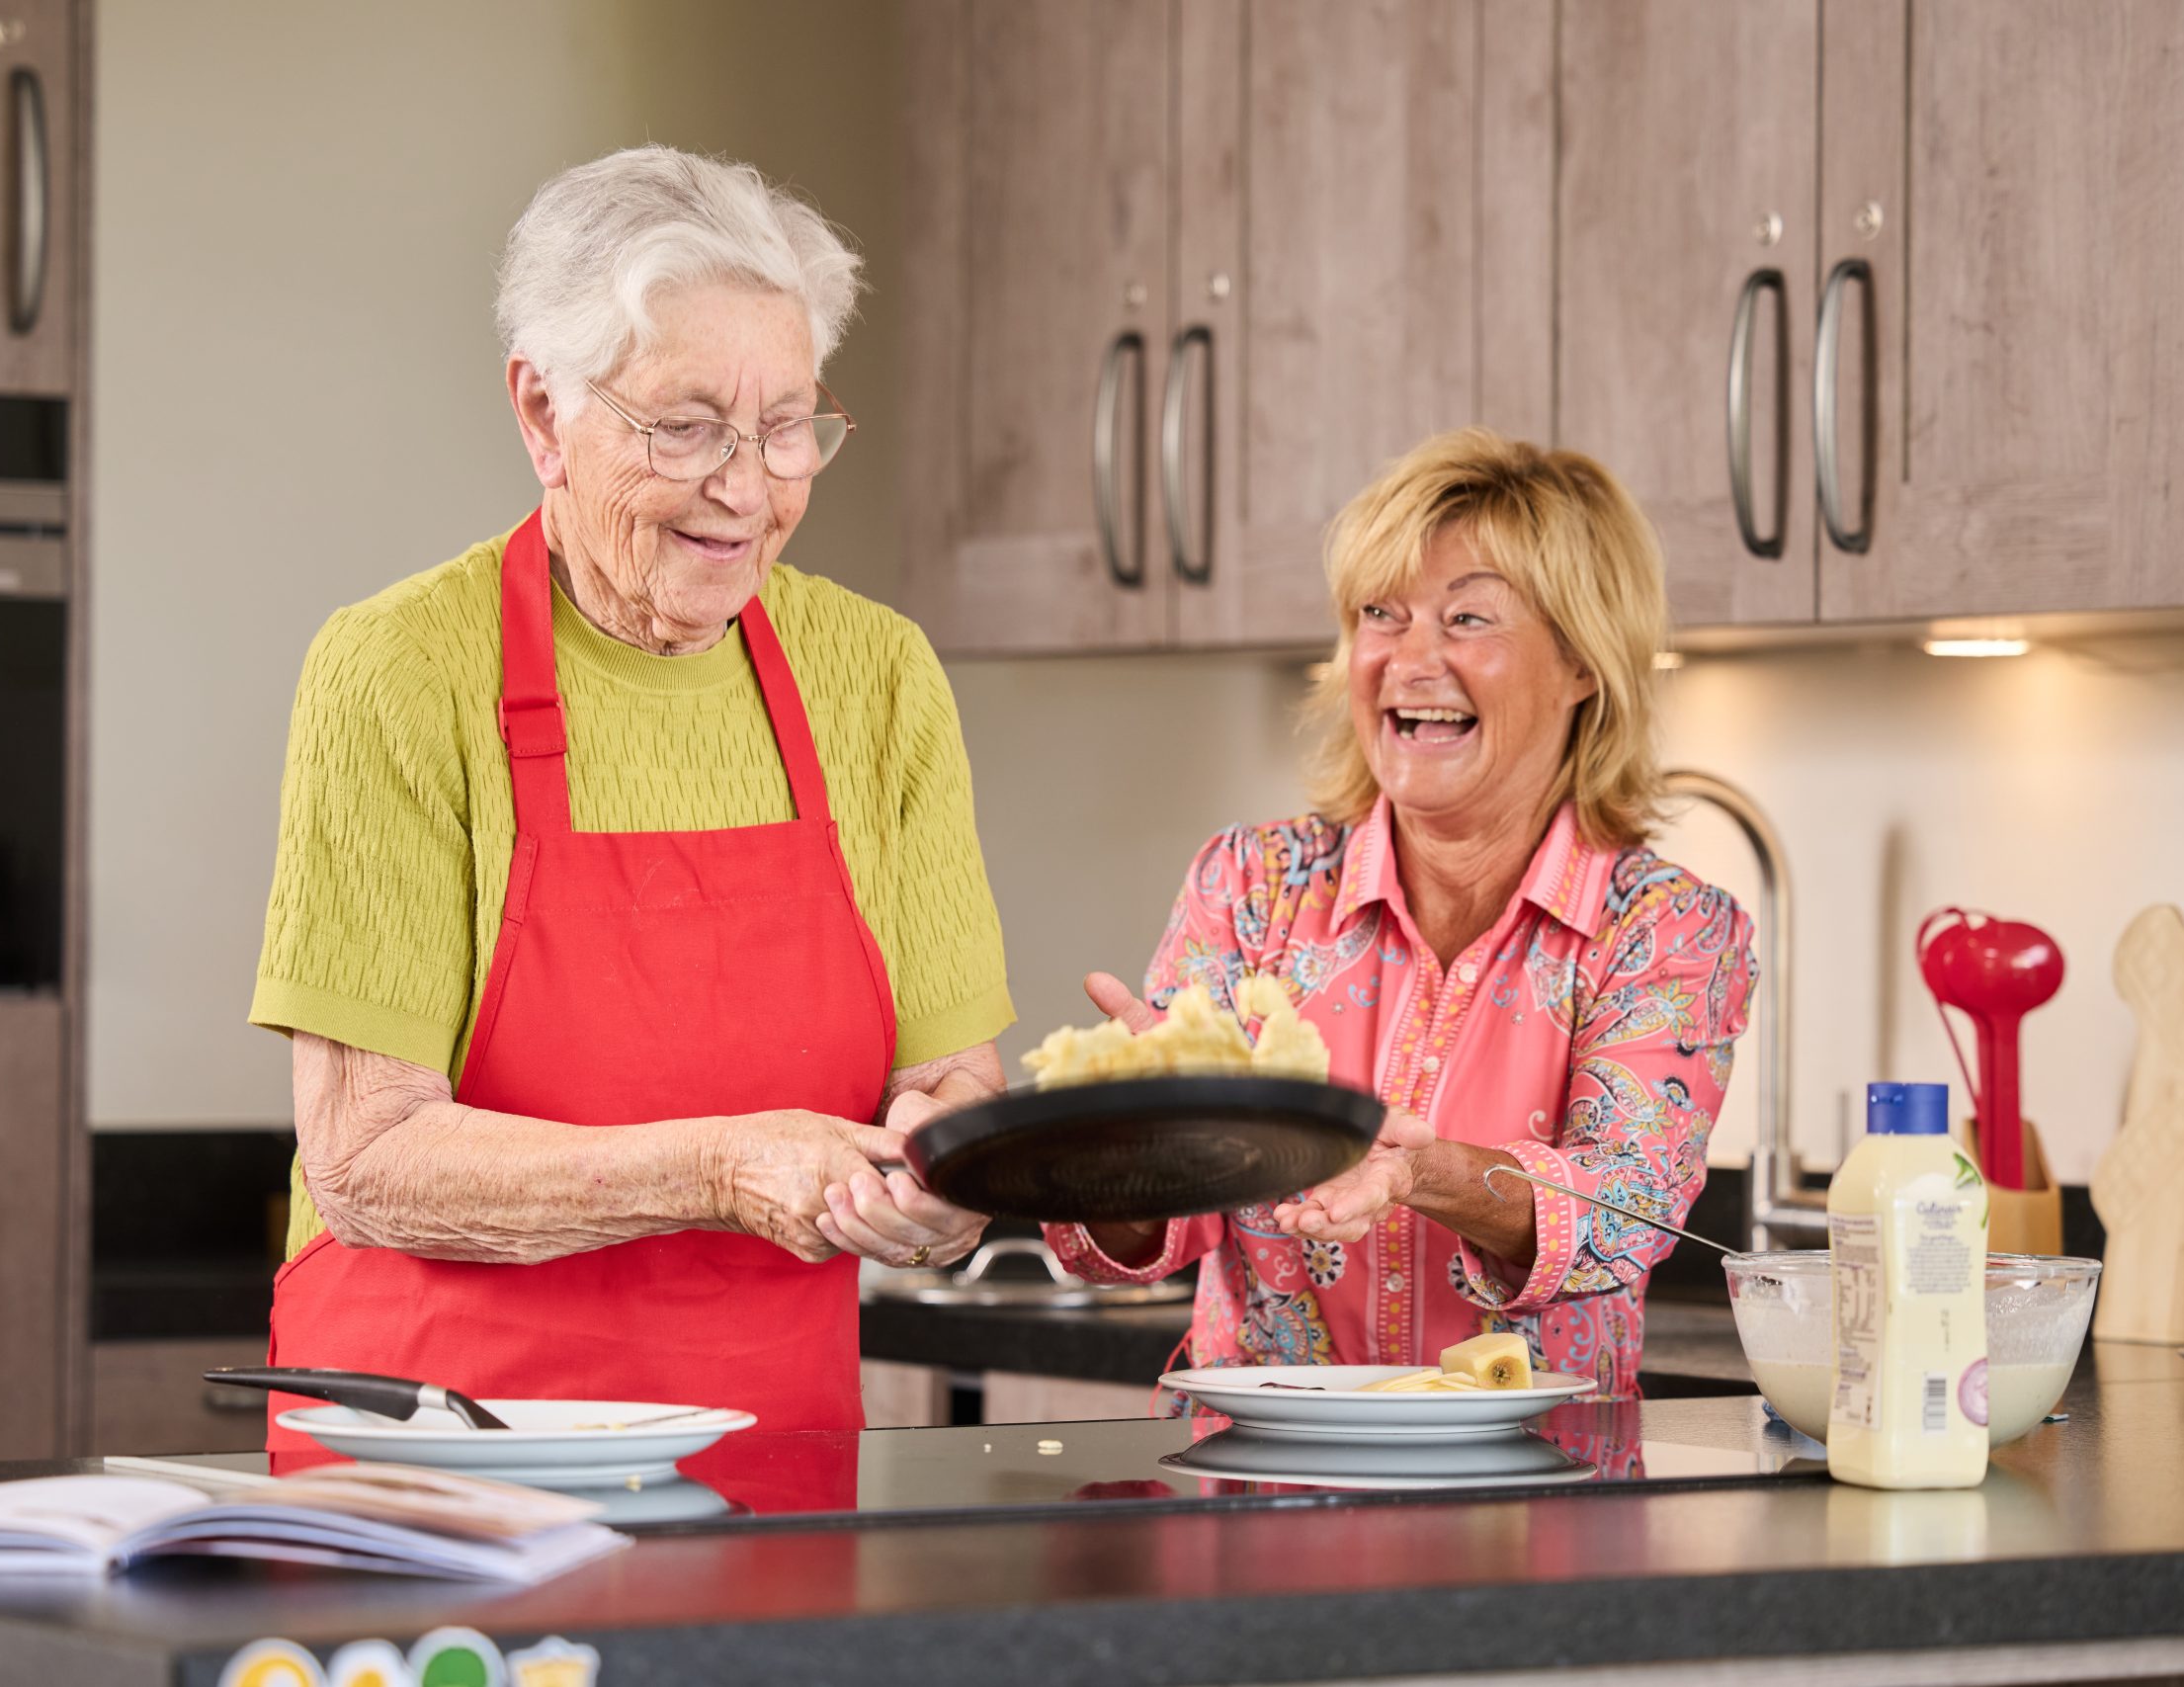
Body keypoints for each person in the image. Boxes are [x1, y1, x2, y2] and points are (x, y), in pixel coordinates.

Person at [250, 147, 1011, 1449]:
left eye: (787, 426)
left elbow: (949, 1082)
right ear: (543, 415)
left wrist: (949, 1175)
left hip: (767, 1453)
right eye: (687, 426)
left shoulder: (879, 677)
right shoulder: (398, 670)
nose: (747, 487)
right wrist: (719, 1167)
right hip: (443, 1452)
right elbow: (368, 1159)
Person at [1047, 429, 1756, 1400]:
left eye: (1467, 618)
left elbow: (1626, 1213)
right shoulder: (1251, 884)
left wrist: (1422, 1174)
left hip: (1538, 1480)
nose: (1410, 659)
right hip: (1262, 1472)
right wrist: (1122, 1155)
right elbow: (1143, 1234)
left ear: (1582, 662)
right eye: (1380, 614)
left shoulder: (1667, 929)